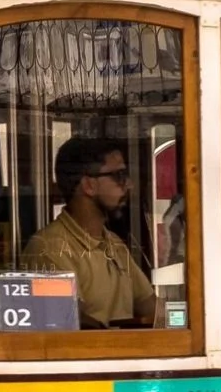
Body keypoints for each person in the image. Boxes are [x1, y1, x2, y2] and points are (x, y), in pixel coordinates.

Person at [20, 137, 159, 330]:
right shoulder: (49, 249)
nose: (129, 185)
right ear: (89, 185)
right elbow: (70, 323)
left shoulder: (113, 243)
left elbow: (150, 307)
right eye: (119, 176)